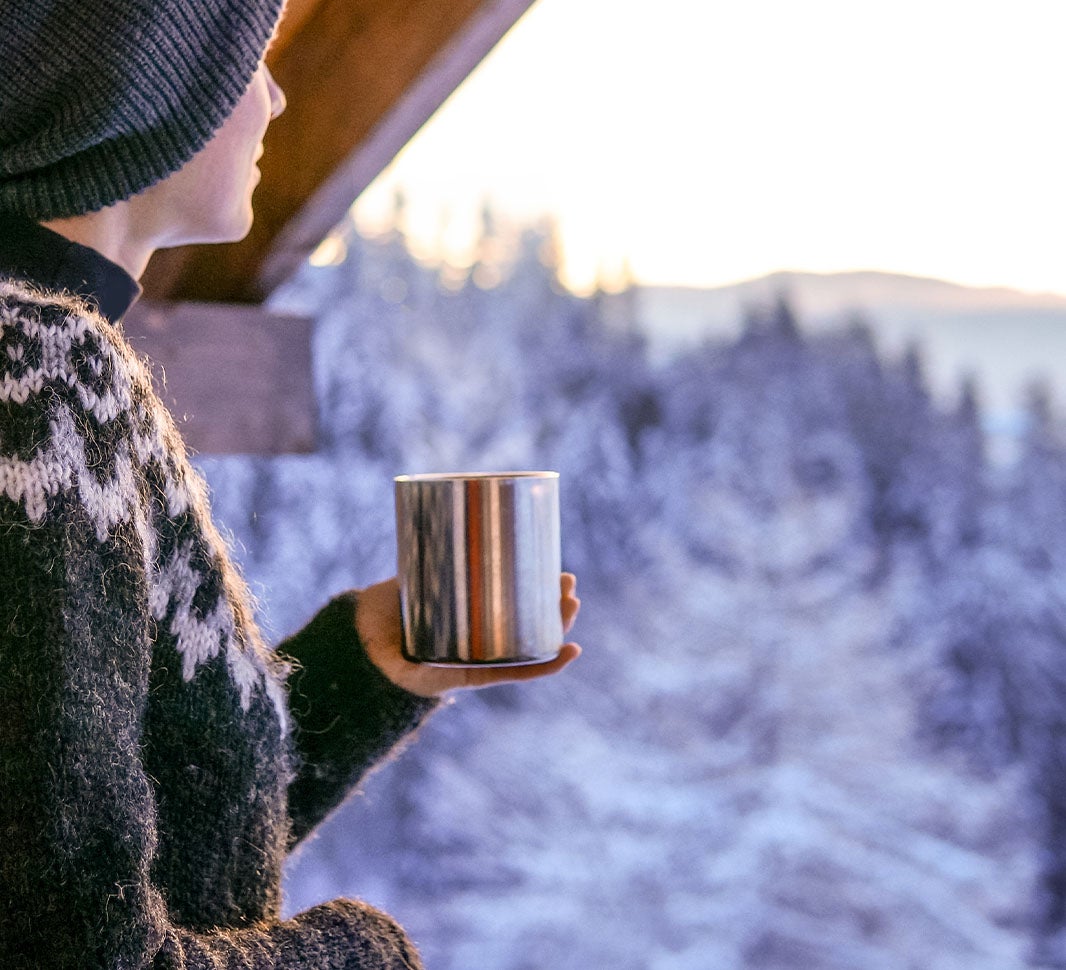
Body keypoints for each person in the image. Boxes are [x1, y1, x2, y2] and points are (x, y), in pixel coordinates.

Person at [0, 1, 581, 968]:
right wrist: (363, 953)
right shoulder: (40, 375)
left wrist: (367, 670)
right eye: (251, 62)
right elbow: (75, 949)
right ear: (140, 89)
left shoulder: (50, 360)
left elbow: (112, 826)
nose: (274, 96)